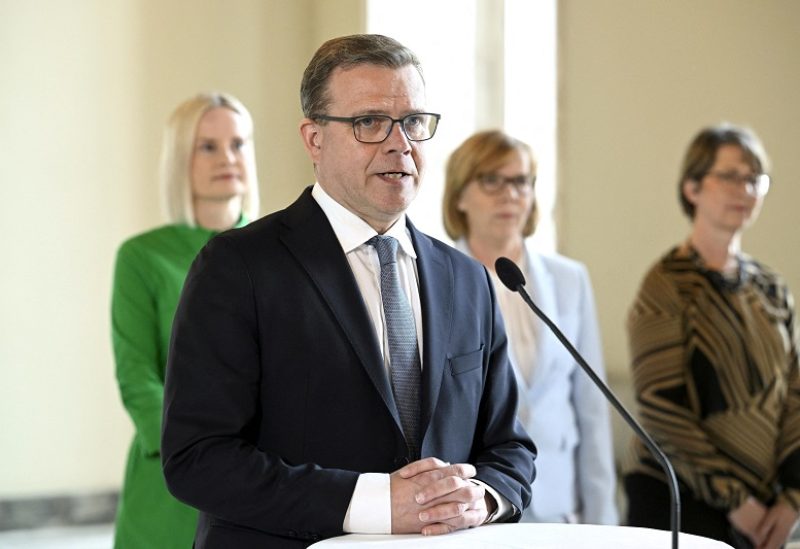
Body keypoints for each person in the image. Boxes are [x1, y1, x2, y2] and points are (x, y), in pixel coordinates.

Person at [161, 34, 536, 548]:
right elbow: (198, 458)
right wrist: (377, 503)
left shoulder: (467, 278)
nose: (399, 143)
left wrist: (484, 496)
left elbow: (510, 447)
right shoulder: (238, 267)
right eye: (369, 123)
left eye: (413, 123)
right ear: (314, 139)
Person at [623, 123, 800, 549]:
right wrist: (736, 500)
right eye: (730, 176)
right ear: (692, 187)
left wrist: (793, 497)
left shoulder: (771, 286)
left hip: (769, 506)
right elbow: (660, 406)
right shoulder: (666, 283)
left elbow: (795, 392)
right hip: (677, 499)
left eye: (755, 178)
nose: (746, 189)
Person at [442, 129, 618, 525]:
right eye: (491, 180)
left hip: (562, 504)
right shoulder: (438, 283)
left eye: (521, 181)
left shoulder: (569, 278)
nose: (510, 194)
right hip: (480, 507)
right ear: (459, 196)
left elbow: (591, 409)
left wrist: (604, 518)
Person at [111, 92, 260, 548]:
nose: (227, 158)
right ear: (180, 157)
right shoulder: (141, 257)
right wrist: (206, 452)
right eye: (208, 145)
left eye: (238, 143)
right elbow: (138, 378)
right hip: (172, 480)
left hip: (263, 477)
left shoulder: (275, 252)